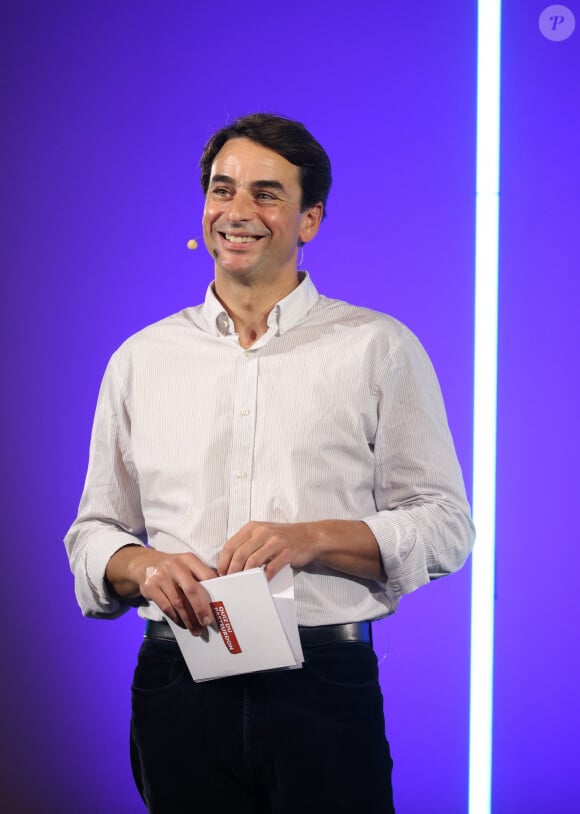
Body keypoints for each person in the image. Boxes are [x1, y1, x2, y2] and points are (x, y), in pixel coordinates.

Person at [65, 113, 475, 813]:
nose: (238, 212)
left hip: (322, 677)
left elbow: (445, 527)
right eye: (223, 190)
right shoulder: (141, 359)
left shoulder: (378, 347)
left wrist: (309, 537)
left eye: (267, 193)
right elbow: (95, 531)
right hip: (176, 673)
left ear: (309, 219)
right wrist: (144, 567)